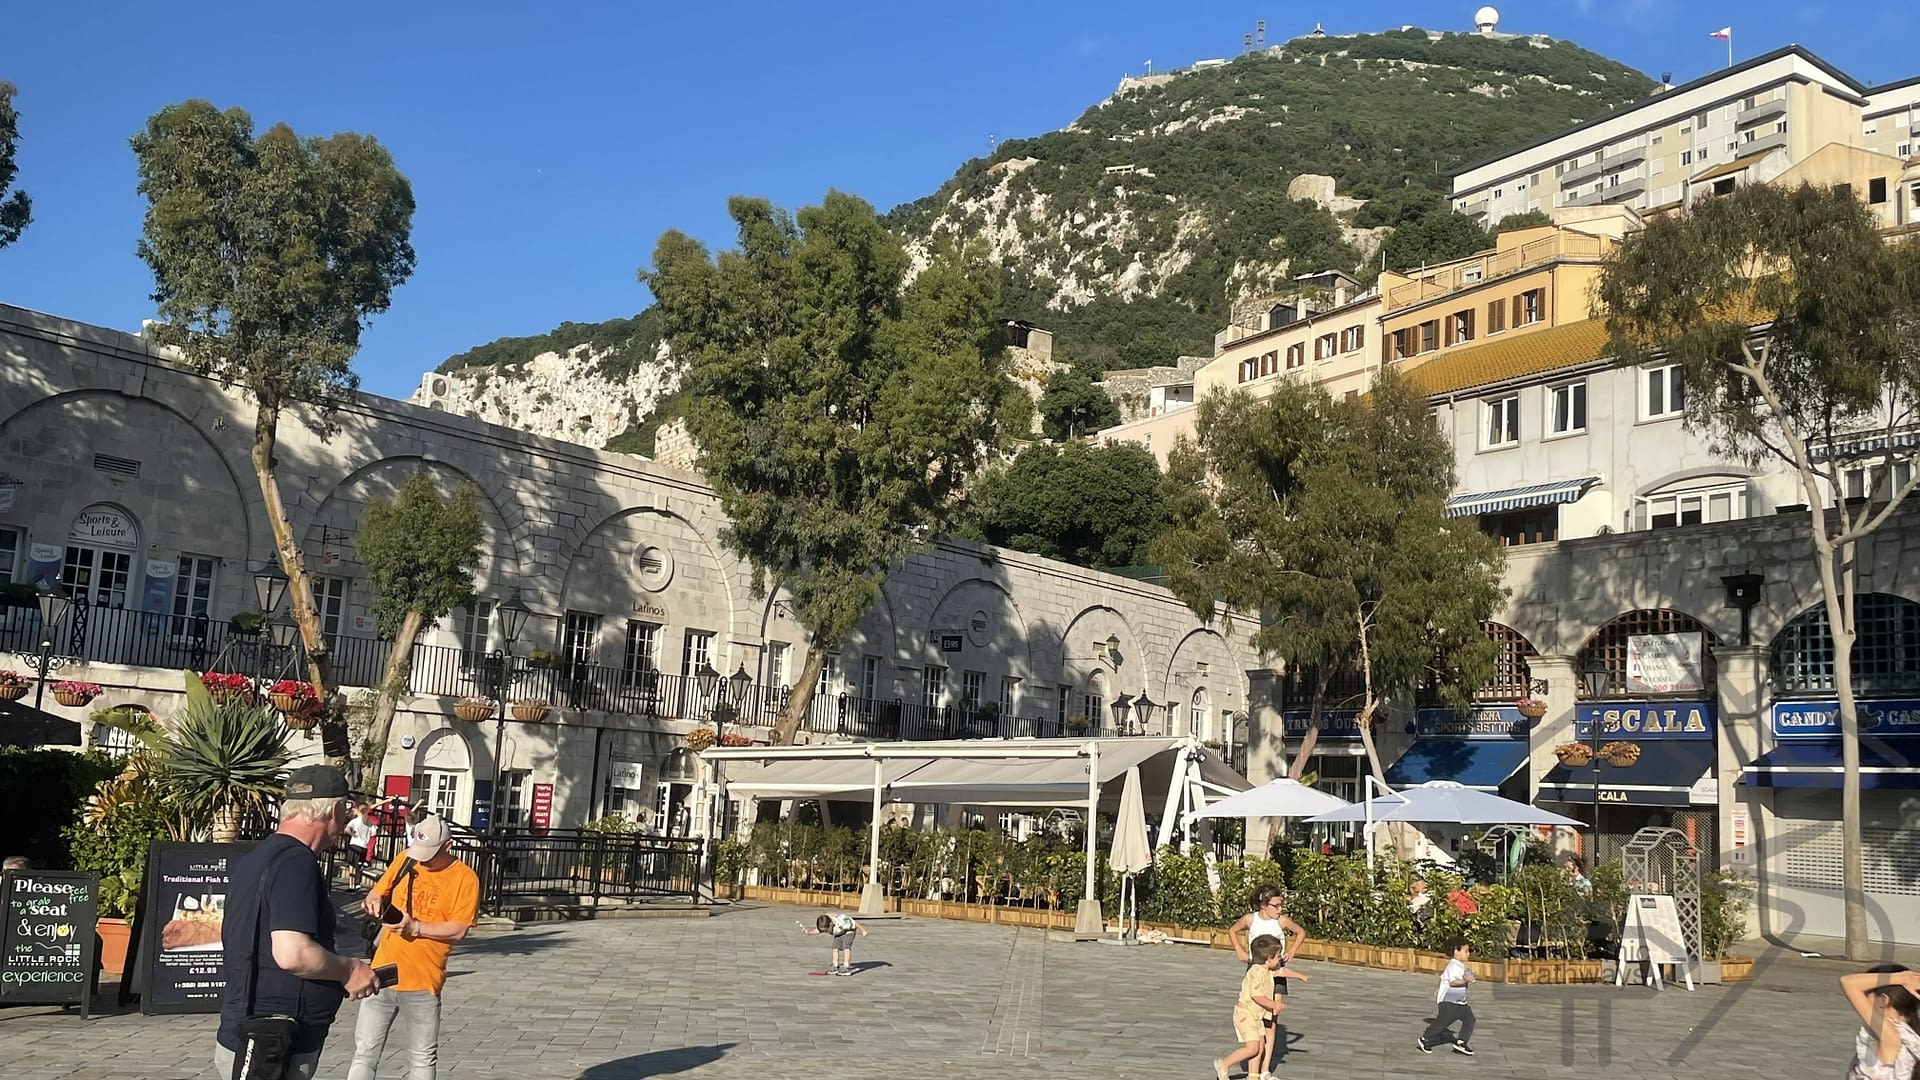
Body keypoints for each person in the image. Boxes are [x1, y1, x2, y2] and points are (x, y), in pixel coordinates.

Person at [215, 765, 379, 1080]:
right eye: (344, 810)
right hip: (274, 1044)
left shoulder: (259, 856)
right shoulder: (296, 862)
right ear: (334, 809)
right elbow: (292, 953)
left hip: (254, 1032)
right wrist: (349, 969)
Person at [347, 813, 479, 1080]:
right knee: (364, 1054)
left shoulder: (465, 879)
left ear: (447, 847)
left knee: (422, 1059)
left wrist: (415, 928)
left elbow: (459, 928)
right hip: (382, 973)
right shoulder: (407, 859)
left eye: (430, 853)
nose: (423, 859)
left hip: (423, 981)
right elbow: (378, 891)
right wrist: (373, 900)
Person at [1227, 886, 1308, 1074]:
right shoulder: (1250, 919)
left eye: (1281, 905)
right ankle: (1254, 1064)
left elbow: (1301, 932)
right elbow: (1232, 930)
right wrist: (1239, 949)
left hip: (1277, 972)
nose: (1280, 909)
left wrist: (1291, 951)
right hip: (1256, 970)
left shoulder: (1282, 921)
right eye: (1276, 905)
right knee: (1256, 1016)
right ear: (1264, 905)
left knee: (1271, 1021)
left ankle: (1265, 1070)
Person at [1213, 934, 1307, 1080]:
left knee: (1260, 1046)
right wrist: (1274, 1004)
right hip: (1246, 1014)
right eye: (1277, 957)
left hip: (1256, 1016)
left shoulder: (1267, 970)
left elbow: (1281, 971)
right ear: (1268, 958)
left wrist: (1300, 976)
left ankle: (1253, 1075)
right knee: (1252, 1047)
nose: (1279, 960)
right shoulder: (1256, 972)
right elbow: (1257, 996)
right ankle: (1224, 1064)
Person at [1841, 966, 1920, 1080]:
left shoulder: (1890, 1035)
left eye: (1865, 995)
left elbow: (1848, 982)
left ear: (1883, 1000)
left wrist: (1899, 978)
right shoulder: (1908, 1035)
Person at [1417, 937, 1477, 1056]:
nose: (1468, 954)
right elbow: (1453, 982)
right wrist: (1465, 980)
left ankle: (1461, 1042)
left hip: (1459, 1002)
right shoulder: (1453, 965)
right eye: (1466, 951)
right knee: (1442, 1023)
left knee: (1470, 1019)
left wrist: (1468, 978)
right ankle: (1425, 1039)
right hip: (1449, 1002)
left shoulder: (1461, 966)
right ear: (1456, 951)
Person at [344, 803, 377, 891]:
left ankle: (351, 886)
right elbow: (374, 833)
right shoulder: (369, 822)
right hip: (364, 847)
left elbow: (346, 829)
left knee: (352, 867)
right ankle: (357, 883)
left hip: (355, 844)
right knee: (358, 866)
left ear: (358, 810)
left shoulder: (355, 821)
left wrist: (353, 834)